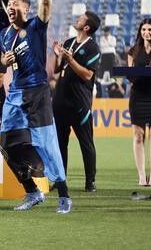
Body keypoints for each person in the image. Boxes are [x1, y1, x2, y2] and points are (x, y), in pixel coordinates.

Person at [0, 0, 72, 214]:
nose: (11, 8)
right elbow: (2, 62)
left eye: (15, 5)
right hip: (15, 94)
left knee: (47, 143)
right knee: (6, 144)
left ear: (26, 9)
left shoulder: (36, 27)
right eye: (9, 5)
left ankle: (64, 195)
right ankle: (32, 191)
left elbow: (47, 1)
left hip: (37, 92)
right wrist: (4, 62)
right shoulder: (4, 34)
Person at [52, 11, 102, 192]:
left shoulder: (93, 48)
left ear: (86, 27)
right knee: (59, 143)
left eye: (81, 18)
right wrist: (57, 55)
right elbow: (57, 70)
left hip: (79, 103)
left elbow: (87, 75)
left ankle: (90, 181)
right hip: (60, 101)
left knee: (86, 143)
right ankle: (60, 180)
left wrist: (70, 59)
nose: (77, 19)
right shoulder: (68, 42)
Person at [126, 19, 151, 187]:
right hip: (138, 96)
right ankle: (142, 176)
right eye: (144, 29)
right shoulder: (133, 51)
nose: (147, 32)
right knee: (138, 135)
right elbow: (130, 76)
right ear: (140, 32)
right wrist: (141, 73)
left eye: (150, 29)